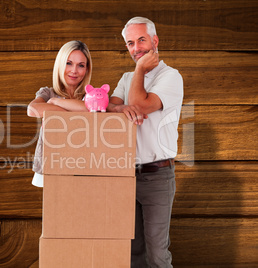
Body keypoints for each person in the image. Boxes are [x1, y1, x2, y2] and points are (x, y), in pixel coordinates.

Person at [107, 17, 184, 267]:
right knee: (133, 253)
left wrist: (139, 70)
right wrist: (119, 109)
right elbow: (106, 109)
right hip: (126, 176)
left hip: (157, 177)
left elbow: (139, 105)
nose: (136, 48)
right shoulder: (126, 78)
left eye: (141, 39)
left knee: (157, 255)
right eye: (130, 43)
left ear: (155, 40)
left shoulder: (171, 77)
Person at [27, 40, 92, 187]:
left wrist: (55, 103)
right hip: (51, 163)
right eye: (69, 63)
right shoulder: (48, 93)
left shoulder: (90, 96)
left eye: (81, 65)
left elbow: (89, 109)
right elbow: (33, 109)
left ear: (87, 69)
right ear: (60, 64)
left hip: (83, 163)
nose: (74, 70)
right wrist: (73, 112)